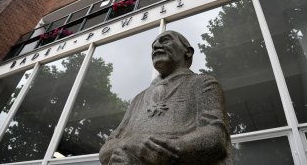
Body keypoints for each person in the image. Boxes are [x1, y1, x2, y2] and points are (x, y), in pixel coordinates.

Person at [99, 30, 233, 165]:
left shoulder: (204, 84)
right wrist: (130, 143)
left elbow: (216, 137)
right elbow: (106, 149)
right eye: (153, 45)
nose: (156, 46)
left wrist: (155, 152)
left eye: (165, 40)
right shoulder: (138, 99)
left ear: (188, 52)